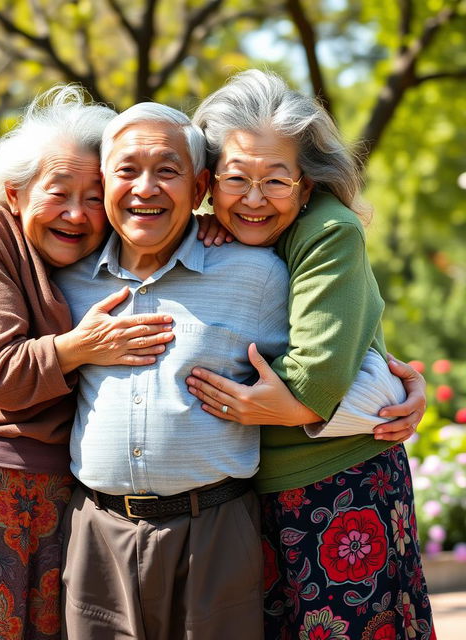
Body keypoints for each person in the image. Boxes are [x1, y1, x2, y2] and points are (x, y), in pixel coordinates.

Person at [0, 86, 177, 640]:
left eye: (96, 196)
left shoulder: (99, 255)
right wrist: (83, 346)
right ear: (15, 192)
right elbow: (4, 375)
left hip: (65, 485)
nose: (78, 214)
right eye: (59, 193)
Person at [188, 69, 434, 639]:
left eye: (276, 181)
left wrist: (262, 406)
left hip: (341, 485)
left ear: (306, 183)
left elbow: (313, 383)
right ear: (207, 181)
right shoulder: (202, 232)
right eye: (235, 179)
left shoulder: (329, 231)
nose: (254, 200)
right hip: (253, 492)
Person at [52, 102, 295, 639]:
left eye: (167, 170)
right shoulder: (67, 280)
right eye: (126, 170)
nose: (145, 187)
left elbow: (328, 358)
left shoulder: (255, 274)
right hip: (98, 531)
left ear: (200, 185)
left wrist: (398, 385)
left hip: (215, 530)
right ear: (103, 179)